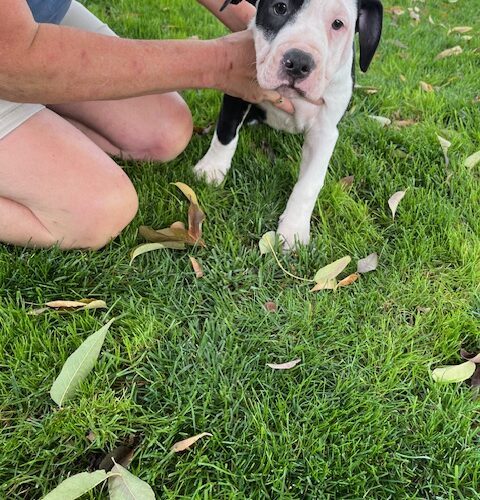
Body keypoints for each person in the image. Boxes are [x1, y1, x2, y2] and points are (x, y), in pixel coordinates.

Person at [0, 0, 288, 250]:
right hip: (10, 46)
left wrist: (273, 30)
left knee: (165, 133)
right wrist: (220, 64)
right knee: (98, 209)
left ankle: (32, 106)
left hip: (35, 16)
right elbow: (12, 56)